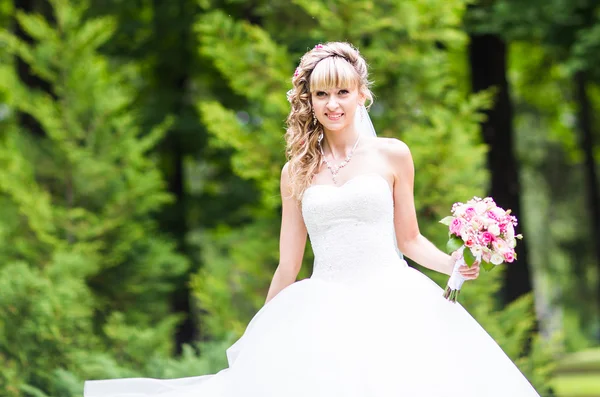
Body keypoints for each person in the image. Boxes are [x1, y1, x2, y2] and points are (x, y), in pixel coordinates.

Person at [84, 42, 541, 397]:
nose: (332, 103)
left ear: (362, 93)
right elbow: (289, 264)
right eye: (321, 93)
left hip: (395, 301)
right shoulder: (296, 171)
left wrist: (452, 266)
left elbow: (410, 239)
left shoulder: (393, 155)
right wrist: (259, 333)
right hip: (323, 307)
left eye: (343, 91)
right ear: (309, 100)